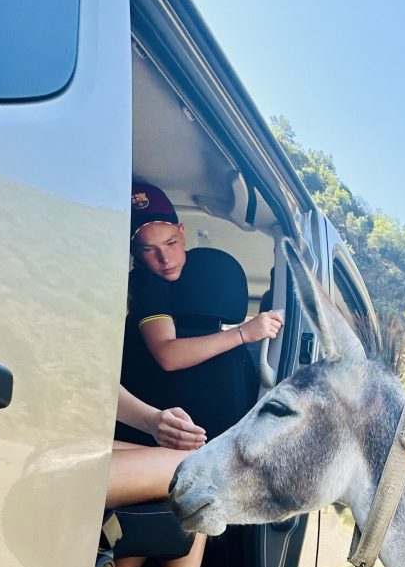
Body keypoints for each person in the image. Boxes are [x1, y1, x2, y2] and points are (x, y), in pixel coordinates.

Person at [120, 183, 283, 441]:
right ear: (134, 254)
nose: (165, 258)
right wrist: (243, 333)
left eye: (171, 242)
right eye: (149, 250)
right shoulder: (144, 284)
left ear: (182, 232)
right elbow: (168, 354)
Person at [99, 387, 235, 567]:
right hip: (31, 455)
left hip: (38, 441)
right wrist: (151, 419)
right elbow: (86, 373)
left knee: (163, 464)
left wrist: (153, 421)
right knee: (198, 470)